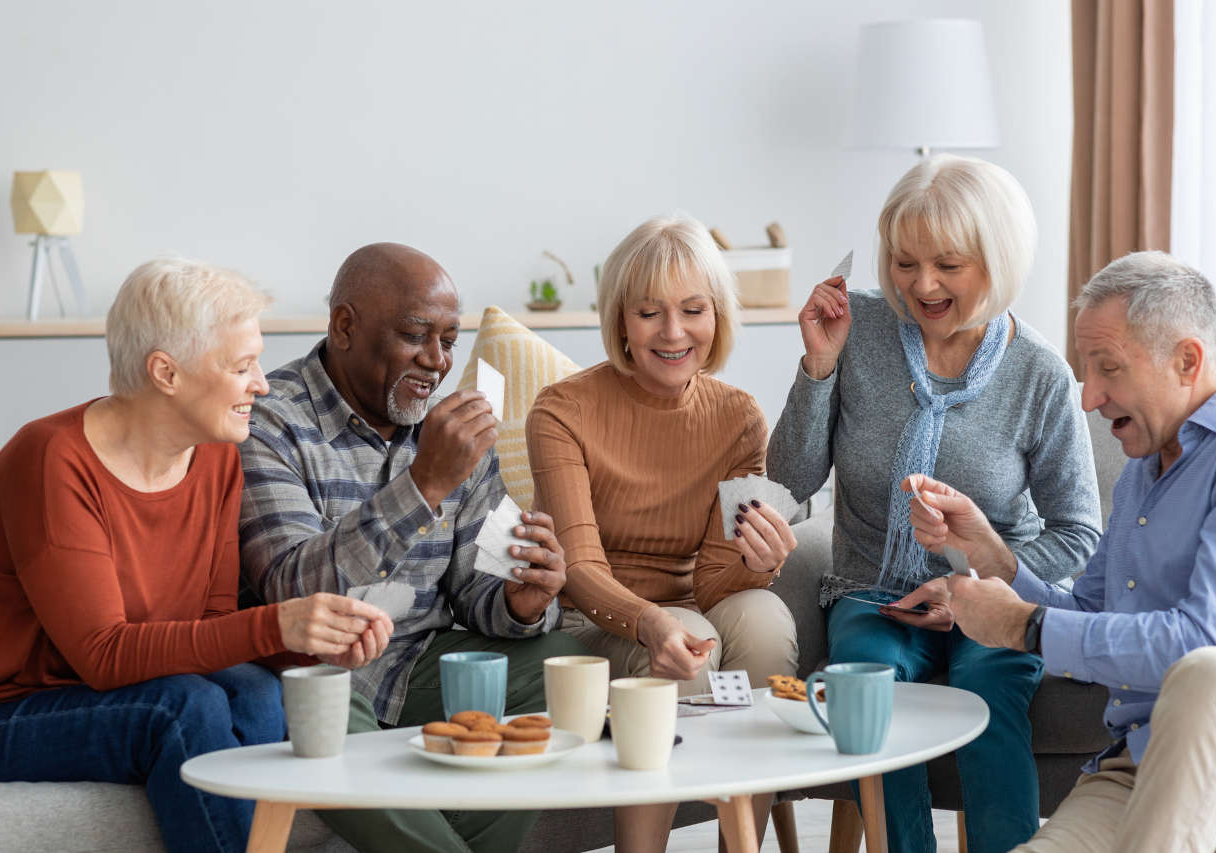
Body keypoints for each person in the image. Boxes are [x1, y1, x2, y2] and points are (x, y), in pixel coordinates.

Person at [0, 257, 392, 853]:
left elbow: (212, 629)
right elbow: (103, 655)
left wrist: (309, 642)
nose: (263, 384)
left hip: (111, 689)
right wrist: (276, 620)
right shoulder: (51, 461)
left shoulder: (215, 455)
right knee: (181, 707)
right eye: (242, 366)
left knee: (256, 691)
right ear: (166, 372)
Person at [766, 155, 1102, 853]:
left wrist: (972, 583)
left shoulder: (1039, 372)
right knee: (869, 696)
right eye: (905, 262)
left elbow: (1078, 534)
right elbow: (791, 477)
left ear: (997, 258)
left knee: (990, 700)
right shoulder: (855, 327)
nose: (921, 285)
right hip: (871, 592)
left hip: (992, 596)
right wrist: (819, 366)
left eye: (948, 264)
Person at [238, 242, 587, 853]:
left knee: (560, 664)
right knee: (310, 705)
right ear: (345, 326)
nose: (436, 361)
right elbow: (293, 588)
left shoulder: (452, 427)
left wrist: (521, 598)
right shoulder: (269, 421)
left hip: (420, 661)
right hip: (319, 669)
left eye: (450, 341)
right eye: (415, 335)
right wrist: (424, 484)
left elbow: (475, 589)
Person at [906, 251, 1216, 852]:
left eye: (1108, 369)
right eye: (1085, 371)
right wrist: (991, 555)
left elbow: (1208, 643)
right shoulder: (1145, 468)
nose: (1089, 398)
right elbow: (1091, 616)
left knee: (1208, 672)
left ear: (1187, 360)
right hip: (1135, 767)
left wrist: (1027, 627)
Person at [526, 213, 799, 851]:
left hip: (692, 607)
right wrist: (654, 622)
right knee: (694, 640)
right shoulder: (562, 411)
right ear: (621, 320)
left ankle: (742, 845)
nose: (674, 333)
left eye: (693, 310)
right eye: (649, 312)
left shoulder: (738, 416)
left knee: (764, 616)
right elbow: (580, 569)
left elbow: (714, 577)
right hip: (596, 621)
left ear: (717, 316)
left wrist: (759, 563)